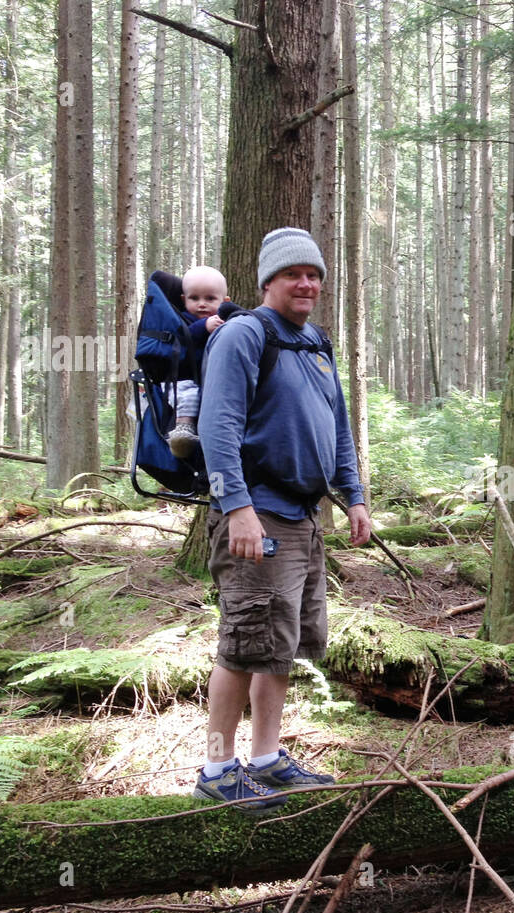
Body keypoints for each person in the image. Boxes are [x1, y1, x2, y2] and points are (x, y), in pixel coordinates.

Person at [193, 228, 372, 811]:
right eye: (294, 274)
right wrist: (237, 508)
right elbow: (216, 429)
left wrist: (356, 496)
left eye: (314, 274)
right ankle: (218, 769)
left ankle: (267, 759)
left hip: (303, 517)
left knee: (281, 644)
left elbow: (337, 428)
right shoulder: (244, 335)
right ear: (268, 281)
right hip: (257, 514)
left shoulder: (315, 343)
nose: (306, 283)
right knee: (243, 644)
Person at [167, 265, 230, 459]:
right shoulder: (183, 321)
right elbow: (182, 342)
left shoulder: (227, 321)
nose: (202, 304)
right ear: (184, 300)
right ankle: (182, 432)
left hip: (212, 382)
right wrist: (203, 326)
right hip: (185, 379)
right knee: (188, 396)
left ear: (224, 301)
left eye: (210, 299)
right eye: (194, 298)